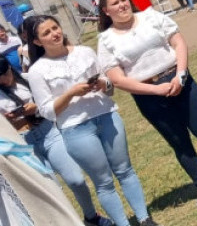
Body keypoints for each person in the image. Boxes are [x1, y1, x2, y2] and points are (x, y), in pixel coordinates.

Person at [96, 0, 197, 209]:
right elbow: (118, 79)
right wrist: (155, 90)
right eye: (115, 3)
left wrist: (180, 75)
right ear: (106, 11)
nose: (122, 5)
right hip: (149, 95)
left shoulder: (151, 16)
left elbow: (178, 42)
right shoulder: (106, 40)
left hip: (180, 80)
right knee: (179, 141)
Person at [25, 15, 159, 226]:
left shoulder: (84, 52)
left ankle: (145, 219)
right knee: (104, 182)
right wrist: (71, 94)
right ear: (37, 42)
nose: (54, 34)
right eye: (46, 33)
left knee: (125, 169)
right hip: (76, 128)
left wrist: (103, 84)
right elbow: (47, 111)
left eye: (55, 27)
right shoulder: (37, 71)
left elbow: (110, 89)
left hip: (106, 116)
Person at [0, 56, 113, 226]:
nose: (4, 80)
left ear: (10, 67)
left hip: (48, 132)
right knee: (51, 189)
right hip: (23, 142)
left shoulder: (29, 79)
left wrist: (36, 109)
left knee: (76, 179)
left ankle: (91, 217)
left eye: (5, 74)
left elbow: (51, 103)